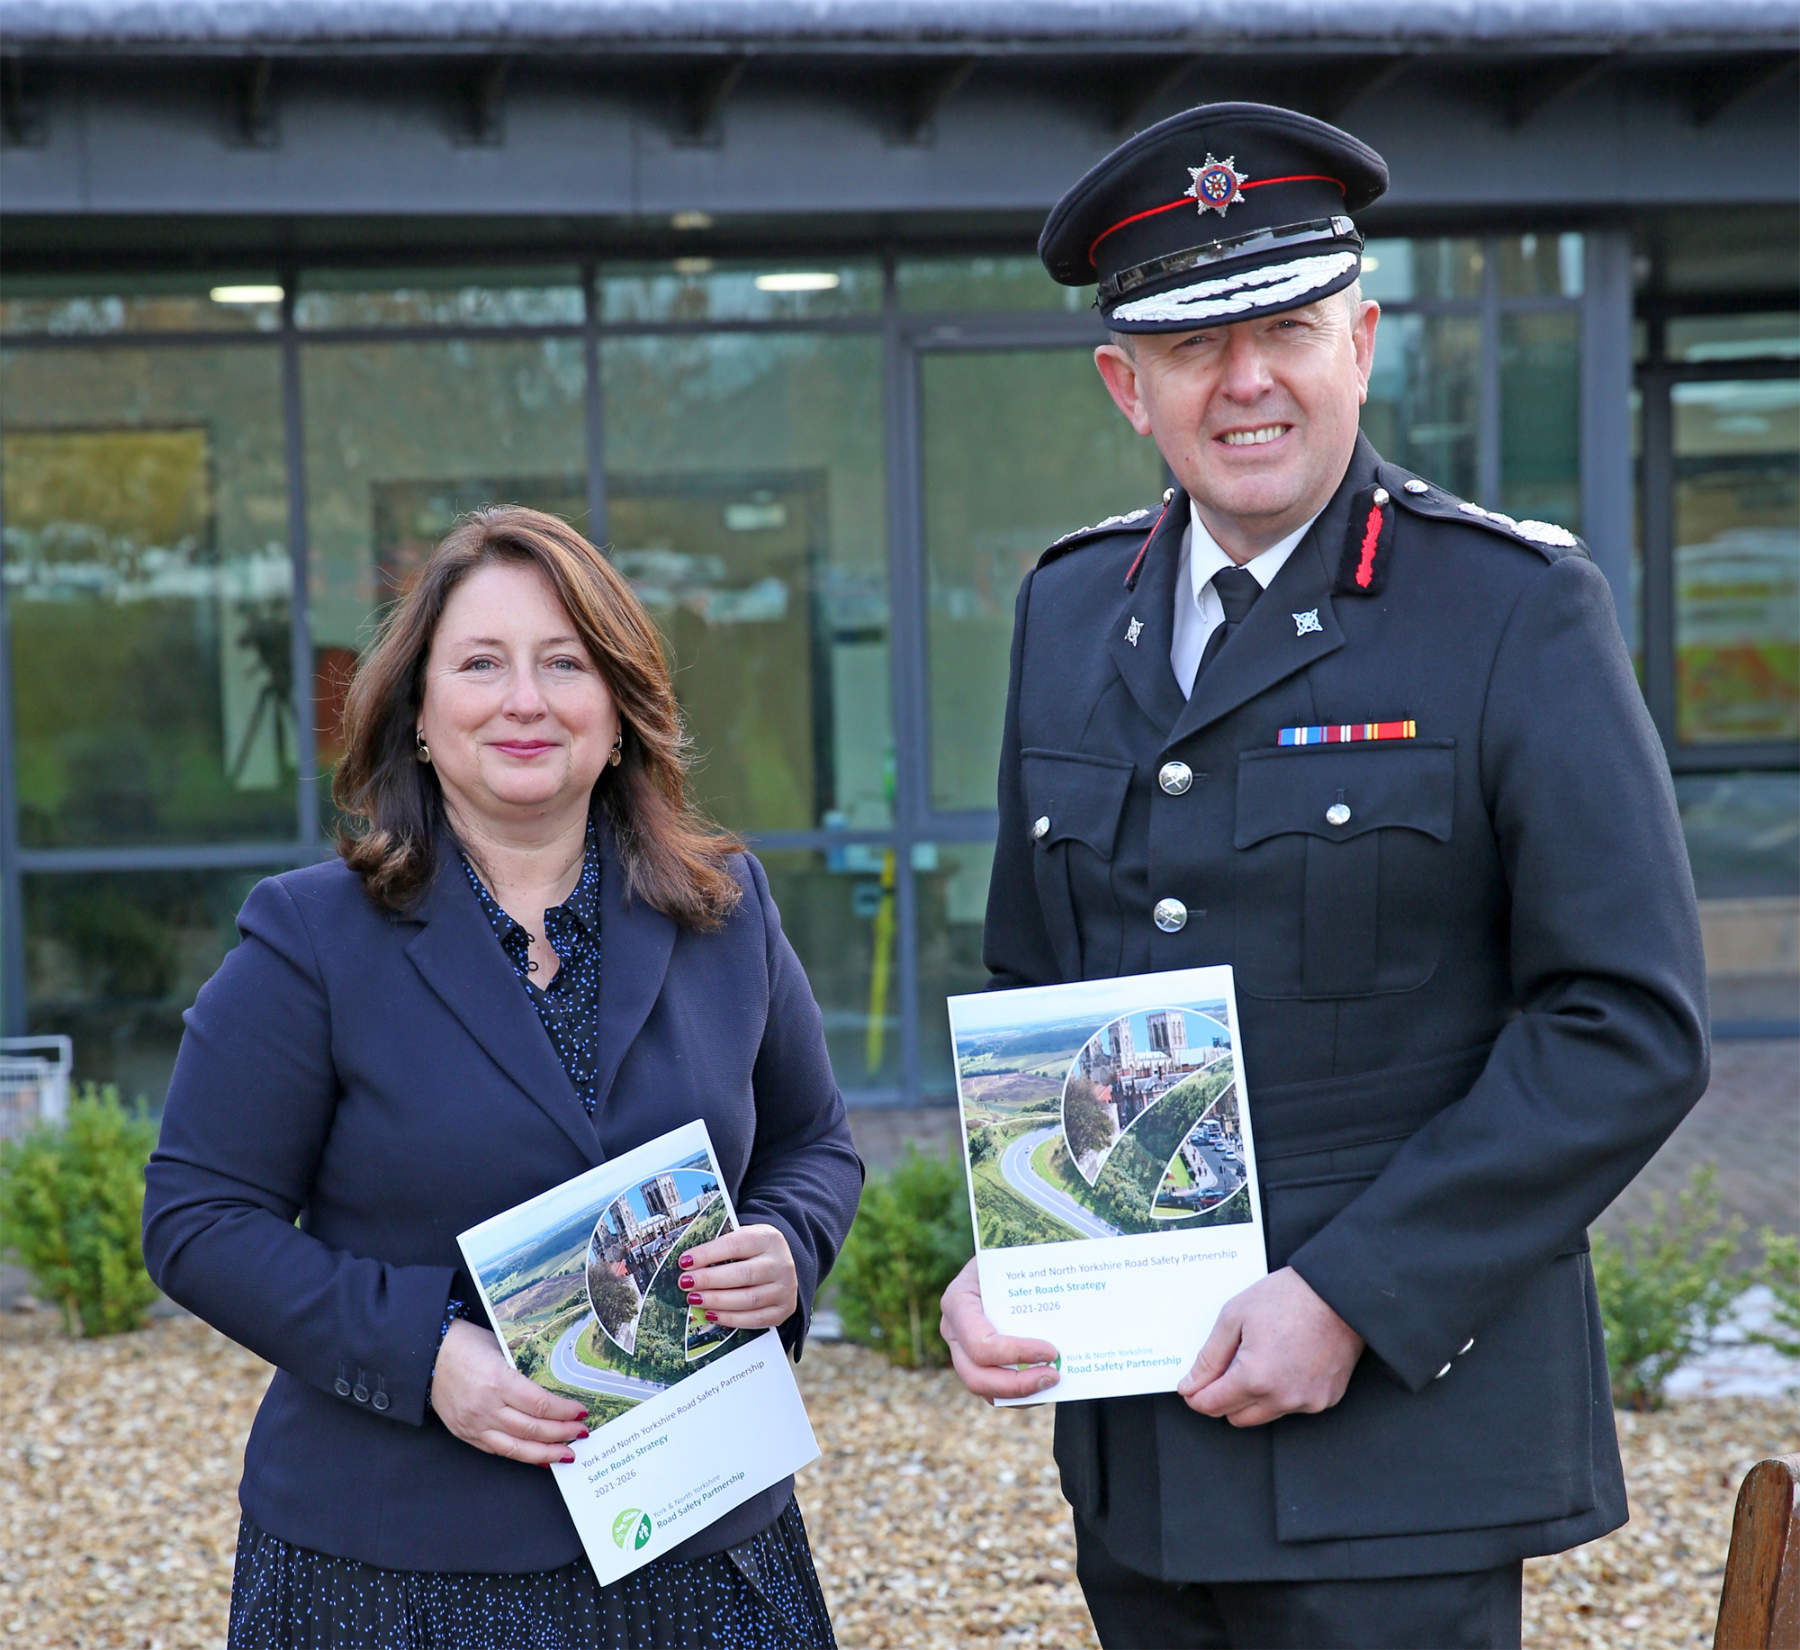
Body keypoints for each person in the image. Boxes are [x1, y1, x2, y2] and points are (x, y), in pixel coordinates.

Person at [939, 103, 1709, 1650]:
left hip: (1398, 1447)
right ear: (1125, 384)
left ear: (1361, 339)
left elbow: (1626, 1021)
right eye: (1191, 345)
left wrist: (1351, 1292)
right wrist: (1011, 1234)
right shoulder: (1074, 609)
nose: (1246, 381)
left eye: (1286, 327)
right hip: (1141, 1445)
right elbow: (1042, 983)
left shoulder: (1510, 609)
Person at [143, 506, 862, 1649]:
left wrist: (787, 1245)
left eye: (564, 664)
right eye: (481, 663)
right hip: (393, 1566)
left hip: (700, 1537)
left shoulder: (726, 909)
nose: (524, 700)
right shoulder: (310, 938)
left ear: (619, 714)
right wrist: (423, 1355)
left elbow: (814, 1146)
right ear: (419, 717)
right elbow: (196, 1221)